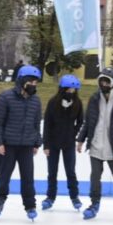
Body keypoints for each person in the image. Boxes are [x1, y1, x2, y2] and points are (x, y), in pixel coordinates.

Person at [76, 67, 113, 221]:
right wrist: (81, 139)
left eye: (107, 81)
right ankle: (94, 204)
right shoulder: (95, 98)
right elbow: (88, 122)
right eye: (101, 80)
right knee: (95, 177)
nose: (103, 84)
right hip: (96, 145)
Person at [0, 65, 43, 221]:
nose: (34, 85)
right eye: (32, 82)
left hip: (27, 145)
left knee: (28, 178)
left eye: (36, 82)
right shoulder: (5, 97)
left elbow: (36, 123)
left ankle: (30, 205)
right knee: (4, 177)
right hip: (8, 145)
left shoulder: (35, 101)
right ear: (22, 81)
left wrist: (36, 142)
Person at [41, 74, 84, 211]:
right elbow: (47, 124)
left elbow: (81, 121)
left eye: (74, 90)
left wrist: (74, 133)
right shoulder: (53, 102)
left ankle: (74, 197)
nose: (71, 92)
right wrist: (46, 145)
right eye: (69, 89)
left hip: (68, 143)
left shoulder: (77, 103)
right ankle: (50, 197)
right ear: (63, 89)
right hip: (53, 143)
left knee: (70, 171)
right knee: (52, 172)